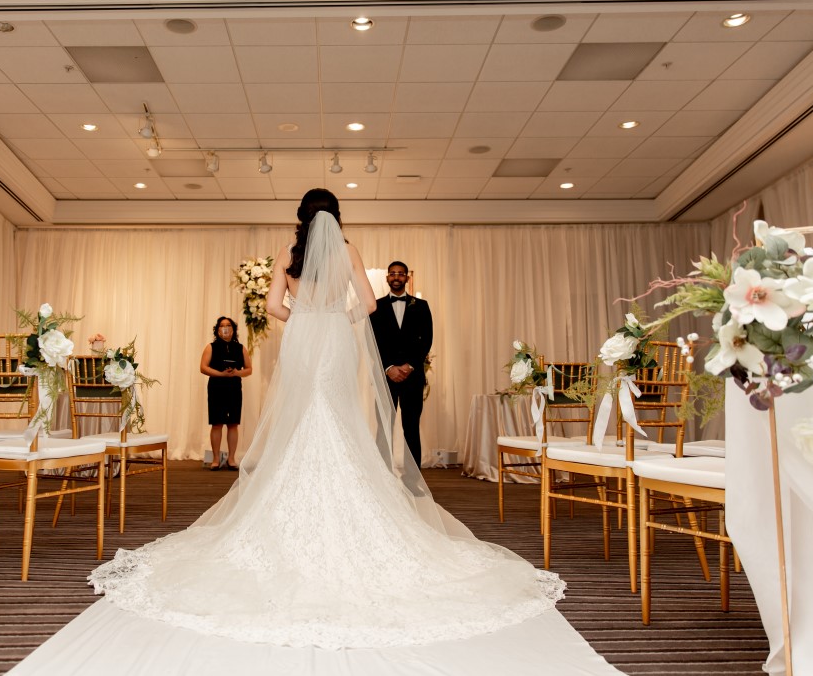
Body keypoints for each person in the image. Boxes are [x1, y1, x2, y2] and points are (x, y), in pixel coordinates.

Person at [88, 188, 563, 649]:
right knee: (336, 411)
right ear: (336, 218)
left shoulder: (288, 253)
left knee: (302, 415)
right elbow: (370, 305)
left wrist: (304, 318)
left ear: (301, 217)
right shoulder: (348, 251)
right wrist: (334, 317)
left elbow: (273, 306)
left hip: (302, 338)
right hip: (335, 337)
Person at [369, 260, 433, 468]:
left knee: (411, 428)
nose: (396, 277)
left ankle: (413, 479)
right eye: (393, 273)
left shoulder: (421, 306)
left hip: (412, 377)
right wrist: (388, 368)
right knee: (384, 427)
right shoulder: (375, 306)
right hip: (385, 378)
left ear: (407, 277)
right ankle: (383, 474)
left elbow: (427, 340)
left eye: (400, 273)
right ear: (387, 277)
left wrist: (410, 366)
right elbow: (371, 341)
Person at [199, 316, 251, 471]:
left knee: (233, 423)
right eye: (222, 326)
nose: (225, 328)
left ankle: (231, 458)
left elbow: (249, 369)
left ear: (233, 329)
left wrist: (236, 373)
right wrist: (221, 374)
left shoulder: (240, 348)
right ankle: (215, 459)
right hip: (216, 387)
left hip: (234, 388)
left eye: (228, 325)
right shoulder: (211, 347)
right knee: (217, 423)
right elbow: (203, 367)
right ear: (217, 330)